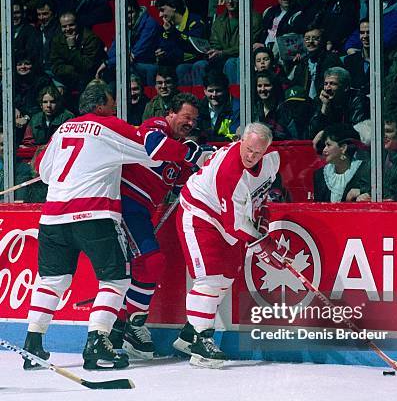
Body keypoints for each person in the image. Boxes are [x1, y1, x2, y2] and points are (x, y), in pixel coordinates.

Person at [21, 82, 192, 371]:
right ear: (100, 105)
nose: (115, 108)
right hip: (93, 214)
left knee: (52, 281)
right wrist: (192, 155)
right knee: (115, 280)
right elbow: (154, 150)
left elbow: (45, 172)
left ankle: (33, 343)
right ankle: (98, 343)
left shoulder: (63, 128)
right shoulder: (109, 126)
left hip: (52, 216)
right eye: (112, 103)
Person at [174, 122, 286, 367]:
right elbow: (234, 225)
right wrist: (264, 245)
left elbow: (262, 193)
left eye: (257, 153)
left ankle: (189, 334)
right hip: (201, 214)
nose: (250, 156)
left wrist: (263, 221)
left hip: (227, 217)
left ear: (266, 151)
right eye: (247, 149)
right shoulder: (229, 170)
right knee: (209, 279)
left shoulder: (271, 162)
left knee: (225, 278)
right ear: (240, 141)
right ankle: (201, 343)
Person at [110, 94, 202, 359]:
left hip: (142, 212)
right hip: (125, 205)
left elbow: (183, 186)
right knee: (151, 262)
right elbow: (153, 147)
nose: (190, 124)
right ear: (170, 114)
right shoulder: (156, 127)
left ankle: (120, 325)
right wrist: (190, 153)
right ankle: (133, 325)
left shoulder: (179, 150)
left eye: (194, 120)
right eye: (186, 117)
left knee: (135, 269)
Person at [154, 0, 207, 84]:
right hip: (175, 64)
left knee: (182, 68)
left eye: (162, 10)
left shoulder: (195, 22)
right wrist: (161, 55)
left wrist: (173, 32)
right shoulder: (166, 26)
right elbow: (165, 48)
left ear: (174, 7)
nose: (160, 15)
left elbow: (195, 47)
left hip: (195, 61)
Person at [50, 10, 106, 93]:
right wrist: (73, 70)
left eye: (71, 25)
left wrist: (72, 49)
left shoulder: (91, 39)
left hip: (87, 78)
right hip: (65, 78)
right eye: (64, 26)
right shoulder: (57, 40)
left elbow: (88, 66)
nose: (68, 29)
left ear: (77, 24)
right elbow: (55, 66)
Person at [313, 124, 370, 202]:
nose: (324, 150)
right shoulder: (320, 175)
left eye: (328, 145)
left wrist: (362, 192)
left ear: (343, 148)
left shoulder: (364, 170)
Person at [288, 25, 341, 100]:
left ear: (323, 41)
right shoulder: (302, 62)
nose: (311, 42)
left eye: (315, 38)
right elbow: (295, 86)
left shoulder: (332, 60)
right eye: (307, 39)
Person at [194, 70, 240, 143]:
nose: (214, 95)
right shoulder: (198, 108)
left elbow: (234, 137)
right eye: (211, 91)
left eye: (218, 91)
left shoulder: (237, 109)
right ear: (204, 91)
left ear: (226, 90)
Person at [252, 72, 289, 140]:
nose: (263, 89)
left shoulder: (283, 108)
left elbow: (284, 135)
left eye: (267, 85)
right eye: (259, 86)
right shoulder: (255, 108)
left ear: (274, 86)